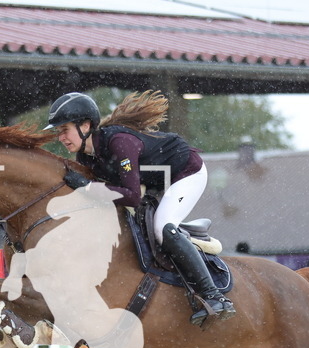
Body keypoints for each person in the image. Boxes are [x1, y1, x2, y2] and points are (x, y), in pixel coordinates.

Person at [44, 90, 235, 326]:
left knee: (163, 228)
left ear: (85, 125)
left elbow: (131, 197)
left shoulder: (119, 143)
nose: (61, 137)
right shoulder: (87, 156)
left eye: (65, 130)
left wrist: (88, 187)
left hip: (186, 173)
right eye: (58, 132)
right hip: (156, 182)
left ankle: (214, 296)